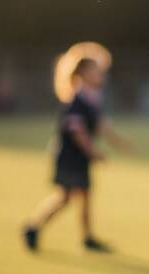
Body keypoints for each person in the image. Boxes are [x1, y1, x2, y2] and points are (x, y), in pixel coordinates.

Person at [23, 43, 131, 252]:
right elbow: (78, 132)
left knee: (85, 195)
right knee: (65, 197)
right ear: (83, 73)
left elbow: (100, 126)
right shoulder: (76, 100)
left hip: (80, 157)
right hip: (70, 157)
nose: (101, 75)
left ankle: (87, 237)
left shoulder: (91, 98)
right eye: (96, 70)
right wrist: (93, 151)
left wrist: (118, 142)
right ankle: (33, 227)